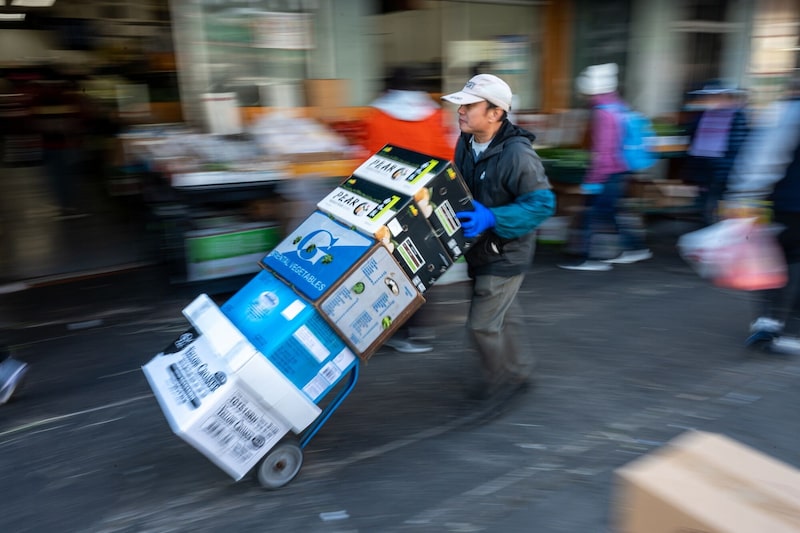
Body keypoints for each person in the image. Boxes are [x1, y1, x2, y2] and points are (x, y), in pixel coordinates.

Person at [441, 73, 555, 401]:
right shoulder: (466, 142)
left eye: (468, 105)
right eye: (459, 105)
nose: (460, 111)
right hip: (478, 247)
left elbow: (543, 203)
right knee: (506, 314)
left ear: (495, 113)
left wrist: (493, 217)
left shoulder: (517, 155)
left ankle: (502, 382)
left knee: (482, 325)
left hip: (506, 250)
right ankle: (518, 370)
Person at [362, 66, 457, 353]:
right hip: (424, 197)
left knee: (394, 264)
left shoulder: (376, 117)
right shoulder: (434, 114)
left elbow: (369, 161)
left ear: (388, 87)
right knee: (425, 260)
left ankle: (400, 329)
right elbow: (447, 155)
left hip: (389, 201)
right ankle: (421, 332)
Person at [725, 79, 800, 355]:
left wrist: (743, 194)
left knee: (772, 258)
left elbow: (766, 157)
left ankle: (768, 321)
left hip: (789, 203)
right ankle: (792, 331)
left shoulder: (790, 110)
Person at [559, 63, 652, 271]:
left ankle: (591, 259)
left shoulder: (603, 113)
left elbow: (603, 153)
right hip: (620, 170)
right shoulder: (618, 106)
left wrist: (592, 181)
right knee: (609, 212)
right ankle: (635, 248)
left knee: (593, 214)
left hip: (608, 172)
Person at [684, 81, 749, 225]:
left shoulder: (737, 116)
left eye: (715, 96)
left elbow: (737, 146)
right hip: (704, 170)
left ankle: (717, 235)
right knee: (707, 205)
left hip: (724, 170)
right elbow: (692, 137)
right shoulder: (702, 116)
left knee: (716, 206)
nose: (710, 100)